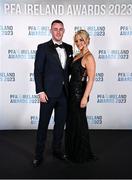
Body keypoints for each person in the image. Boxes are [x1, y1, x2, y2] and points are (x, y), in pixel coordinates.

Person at [33, 19, 73, 167]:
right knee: (43, 125)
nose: (58, 31)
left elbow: (68, 70)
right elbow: (38, 71)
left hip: (64, 94)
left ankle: (57, 150)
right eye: (55, 29)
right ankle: (38, 155)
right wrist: (40, 91)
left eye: (60, 29)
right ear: (50, 31)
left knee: (60, 124)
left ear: (64, 31)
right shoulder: (42, 48)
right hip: (48, 94)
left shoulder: (69, 48)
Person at [65, 29, 97, 163]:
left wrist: (85, 97)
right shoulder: (77, 55)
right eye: (77, 41)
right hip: (71, 92)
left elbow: (91, 79)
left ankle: (81, 154)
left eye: (81, 40)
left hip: (79, 94)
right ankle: (71, 152)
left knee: (79, 123)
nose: (78, 43)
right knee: (72, 122)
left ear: (87, 40)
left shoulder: (89, 57)